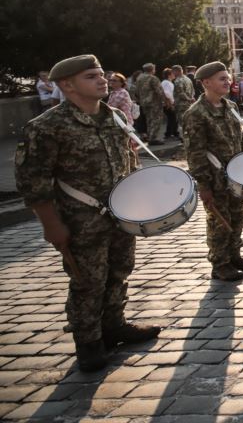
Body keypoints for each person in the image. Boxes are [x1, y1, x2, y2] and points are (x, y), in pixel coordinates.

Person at [15, 55, 160, 372]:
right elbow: (33, 183)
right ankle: (89, 341)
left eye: (101, 74)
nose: (102, 80)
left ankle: (115, 325)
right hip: (81, 221)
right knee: (87, 282)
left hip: (121, 214)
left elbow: (128, 162)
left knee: (120, 271)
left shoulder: (115, 117)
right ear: (67, 85)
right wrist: (51, 225)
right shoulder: (47, 127)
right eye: (91, 76)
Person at [183, 61, 243, 282]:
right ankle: (220, 263)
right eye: (222, 79)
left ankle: (234, 255)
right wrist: (203, 184)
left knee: (237, 216)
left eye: (228, 78)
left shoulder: (231, 107)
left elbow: (242, 138)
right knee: (219, 221)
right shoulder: (196, 113)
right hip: (215, 179)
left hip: (236, 175)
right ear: (206, 82)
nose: (227, 82)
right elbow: (195, 152)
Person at [135, 63, 169, 145]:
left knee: (149, 119)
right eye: (154, 69)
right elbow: (159, 91)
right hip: (154, 102)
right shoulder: (153, 78)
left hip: (144, 102)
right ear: (152, 69)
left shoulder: (139, 78)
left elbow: (136, 91)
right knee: (156, 120)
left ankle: (150, 136)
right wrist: (166, 101)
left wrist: (139, 100)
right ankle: (153, 138)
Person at [171, 64, 195, 140]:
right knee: (189, 120)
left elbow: (180, 93)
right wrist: (191, 98)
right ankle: (190, 135)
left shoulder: (178, 81)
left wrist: (188, 99)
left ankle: (184, 137)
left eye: (173, 71)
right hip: (189, 104)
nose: (173, 73)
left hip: (181, 104)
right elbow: (192, 90)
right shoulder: (187, 79)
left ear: (177, 71)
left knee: (182, 121)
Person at [161, 68, 178, 139]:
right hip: (169, 103)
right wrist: (171, 102)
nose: (174, 75)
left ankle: (173, 132)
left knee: (172, 118)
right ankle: (170, 133)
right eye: (173, 74)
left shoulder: (164, 82)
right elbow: (167, 94)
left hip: (166, 103)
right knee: (172, 118)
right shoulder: (168, 83)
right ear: (169, 75)